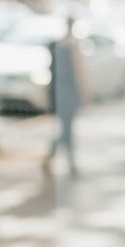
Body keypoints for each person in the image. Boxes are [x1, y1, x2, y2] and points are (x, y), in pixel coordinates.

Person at [43, 17, 86, 177]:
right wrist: (85, 93)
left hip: (59, 93)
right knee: (67, 129)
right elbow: (79, 72)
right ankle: (65, 160)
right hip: (69, 93)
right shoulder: (72, 47)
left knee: (66, 127)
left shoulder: (58, 45)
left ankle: (58, 158)